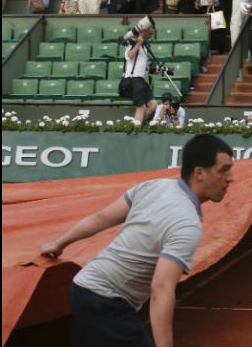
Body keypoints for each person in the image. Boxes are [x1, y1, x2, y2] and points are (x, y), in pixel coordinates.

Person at [40, 134, 234, 347]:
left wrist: (60, 243)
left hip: (84, 288)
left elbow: (101, 218)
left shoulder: (154, 186)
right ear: (199, 173)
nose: (230, 178)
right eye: (223, 170)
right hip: (105, 300)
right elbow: (161, 287)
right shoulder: (187, 224)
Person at [121, 16, 158, 126]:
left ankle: (138, 125)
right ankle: (135, 130)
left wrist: (151, 69)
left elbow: (141, 64)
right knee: (141, 107)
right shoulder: (131, 42)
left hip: (141, 80)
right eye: (150, 34)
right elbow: (129, 56)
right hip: (132, 80)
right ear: (144, 31)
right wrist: (138, 43)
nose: (151, 36)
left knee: (153, 104)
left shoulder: (146, 45)